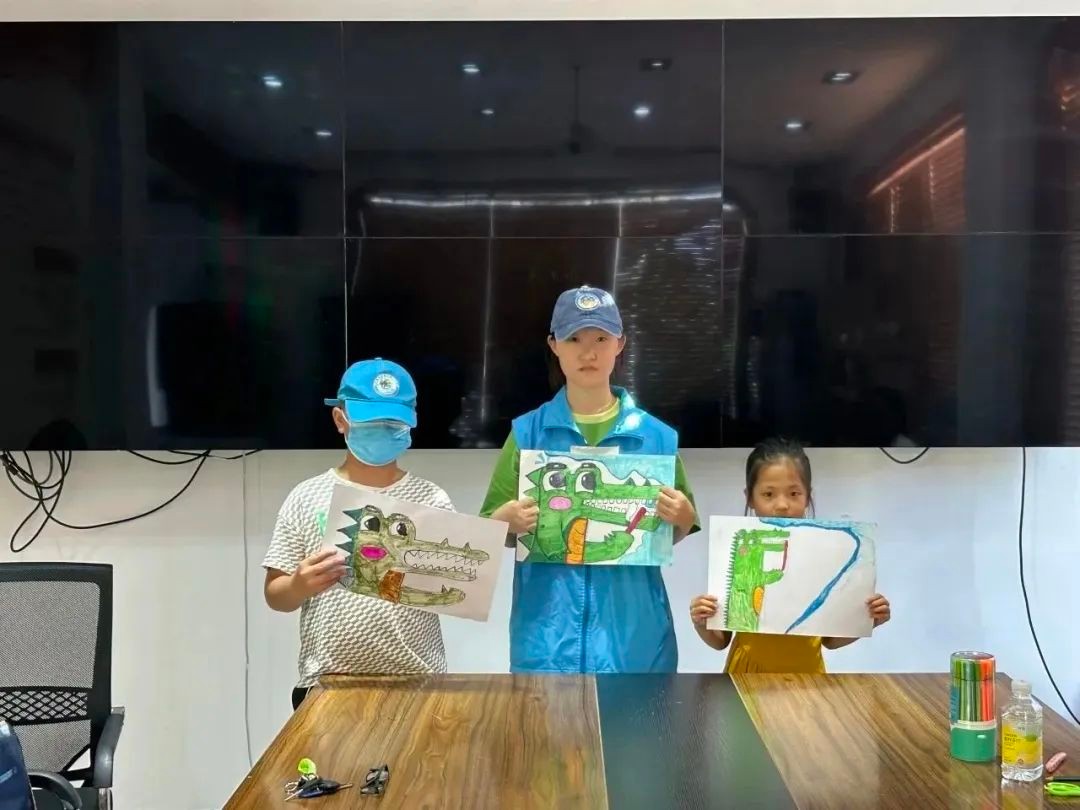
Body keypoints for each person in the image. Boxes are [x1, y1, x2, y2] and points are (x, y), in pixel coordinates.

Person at [480, 285, 700, 673]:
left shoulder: (656, 437)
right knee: (547, 715)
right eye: (574, 339)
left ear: (620, 344)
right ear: (554, 345)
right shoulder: (528, 433)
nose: (589, 352)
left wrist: (683, 517)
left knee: (636, 716)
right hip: (548, 639)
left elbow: (670, 533)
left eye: (601, 338)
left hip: (635, 641)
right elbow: (488, 532)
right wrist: (505, 521)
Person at [262, 358, 454, 709]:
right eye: (370, 421)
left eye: (393, 423)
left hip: (418, 682)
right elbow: (276, 595)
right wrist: (299, 585)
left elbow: (454, 586)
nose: (383, 430)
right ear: (341, 419)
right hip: (327, 685)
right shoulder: (307, 497)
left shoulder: (431, 499)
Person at [689, 437, 891, 673]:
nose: (782, 505)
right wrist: (701, 622)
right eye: (768, 494)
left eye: (794, 493)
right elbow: (720, 641)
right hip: (746, 676)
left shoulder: (823, 555)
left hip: (808, 678)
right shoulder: (739, 551)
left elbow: (831, 641)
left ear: (807, 496)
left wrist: (867, 620)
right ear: (750, 497)